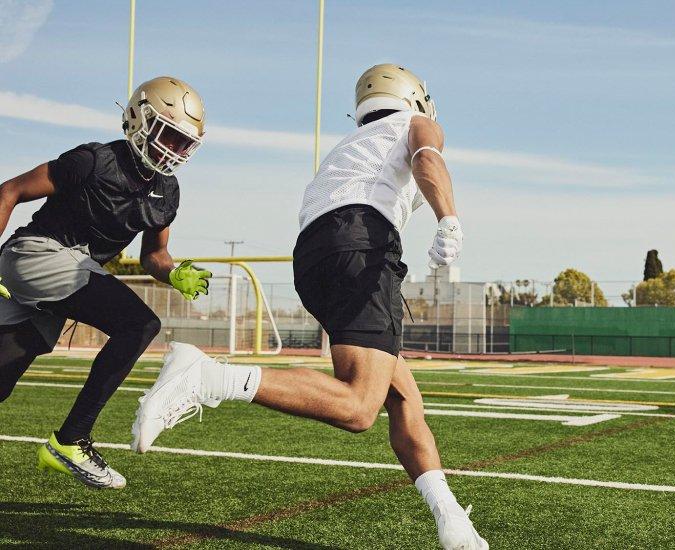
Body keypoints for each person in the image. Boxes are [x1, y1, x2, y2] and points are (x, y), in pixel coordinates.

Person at [133, 64, 487, 549]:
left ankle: (452, 521)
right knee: (360, 405)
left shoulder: (354, 145)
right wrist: (449, 219)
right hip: (363, 245)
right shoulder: (413, 123)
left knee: (403, 396)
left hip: (317, 255)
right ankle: (208, 375)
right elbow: (429, 160)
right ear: (413, 98)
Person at [0, 76, 212, 489]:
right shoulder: (93, 161)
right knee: (139, 323)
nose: (173, 150)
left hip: (65, 277)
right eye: (168, 135)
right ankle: (71, 439)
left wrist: (173, 272)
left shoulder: (167, 192)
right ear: (138, 119)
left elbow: (154, 255)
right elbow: (10, 190)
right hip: (36, 254)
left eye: (183, 143)